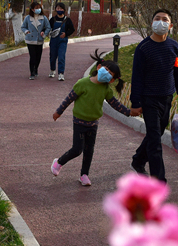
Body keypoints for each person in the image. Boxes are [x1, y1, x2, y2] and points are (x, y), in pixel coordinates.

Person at [51, 51, 140, 186]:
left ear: (112, 80)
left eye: (111, 74)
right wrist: (59, 111)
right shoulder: (83, 83)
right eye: (107, 70)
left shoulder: (106, 89)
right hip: (79, 121)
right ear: (99, 67)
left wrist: (129, 112)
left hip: (93, 124)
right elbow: (69, 98)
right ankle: (59, 162)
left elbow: (115, 104)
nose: (107, 73)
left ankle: (84, 175)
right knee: (77, 149)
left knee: (89, 150)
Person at [129, 8, 178, 182]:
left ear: (170, 25)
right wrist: (136, 102)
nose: (161, 21)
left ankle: (138, 161)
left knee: (157, 133)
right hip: (149, 99)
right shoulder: (143, 48)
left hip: (167, 97)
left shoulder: (174, 46)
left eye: (165, 19)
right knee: (155, 140)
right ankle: (159, 182)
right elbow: (137, 76)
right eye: (157, 18)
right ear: (152, 23)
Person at [21, 1, 50, 79]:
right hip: (30, 40)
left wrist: (44, 33)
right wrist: (27, 32)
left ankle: (36, 68)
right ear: (32, 9)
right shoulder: (28, 18)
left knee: (38, 57)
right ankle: (32, 73)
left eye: (39, 8)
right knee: (32, 56)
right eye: (36, 8)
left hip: (39, 40)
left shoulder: (43, 18)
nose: (38, 9)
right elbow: (23, 27)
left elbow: (48, 27)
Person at [48, 2, 75, 81]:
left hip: (62, 41)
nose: (59, 10)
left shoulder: (67, 20)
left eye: (61, 8)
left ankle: (61, 73)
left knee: (61, 56)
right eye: (57, 8)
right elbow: (47, 28)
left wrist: (66, 34)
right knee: (52, 57)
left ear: (64, 9)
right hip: (53, 41)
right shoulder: (53, 19)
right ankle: (52, 70)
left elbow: (72, 29)